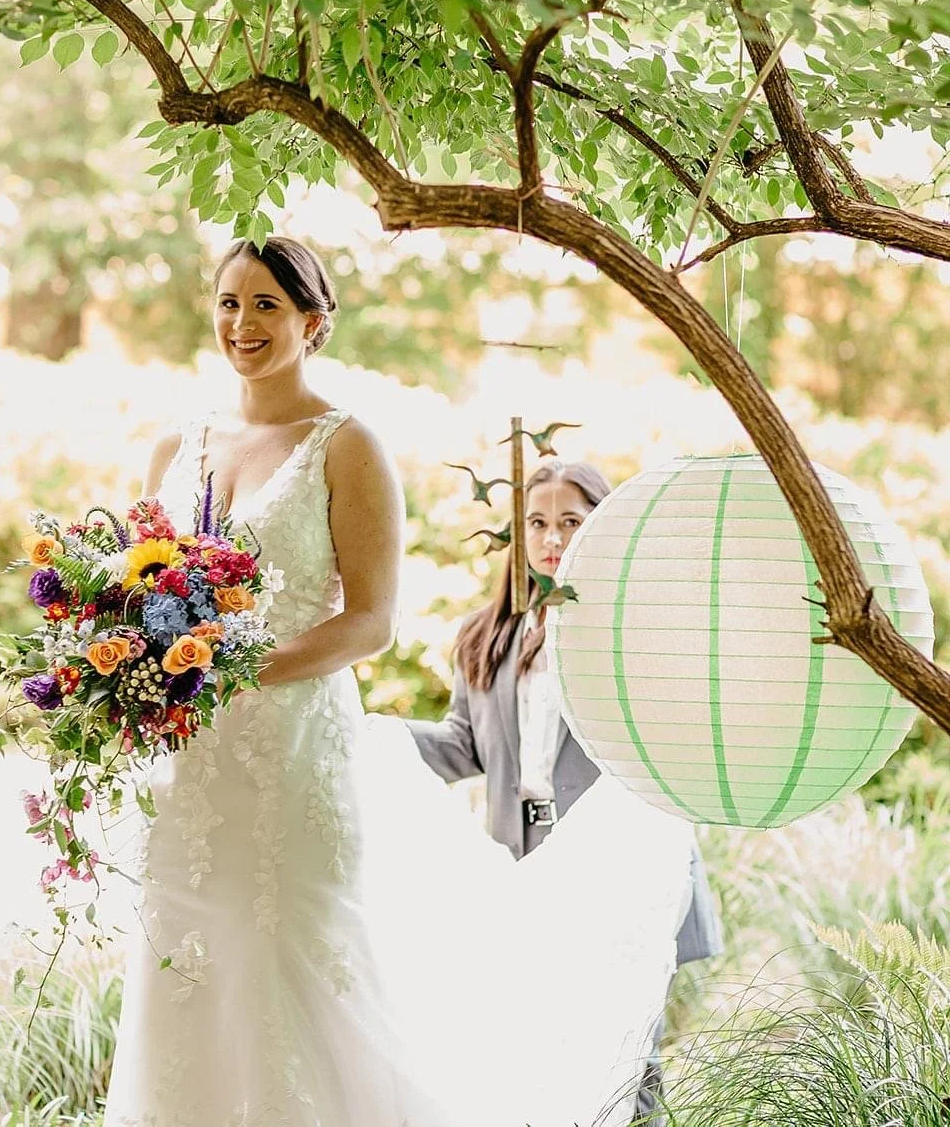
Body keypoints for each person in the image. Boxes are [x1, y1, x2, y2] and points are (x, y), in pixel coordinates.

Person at [103, 236, 698, 1127]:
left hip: (294, 754)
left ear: (314, 321)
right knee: (185, 957)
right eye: (229, 302)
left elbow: (371, 621)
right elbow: (138, 591)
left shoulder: (346, 447)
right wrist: (119, 675)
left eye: (266, 304)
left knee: (284, 954)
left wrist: (230, 672)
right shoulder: (173, 447)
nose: (243, 323)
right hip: (194, 761)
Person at [404, 459, 725, 1123]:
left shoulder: (629, 633)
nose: (552, 539)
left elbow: (673, 737)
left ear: (601, 528)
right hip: (522, 865)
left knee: (625, 1051)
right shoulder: (484, 635)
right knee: (535, 1052)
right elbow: (462, 745)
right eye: (538, 524)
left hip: (614, 865)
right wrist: (356, 735)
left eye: (571, 523)